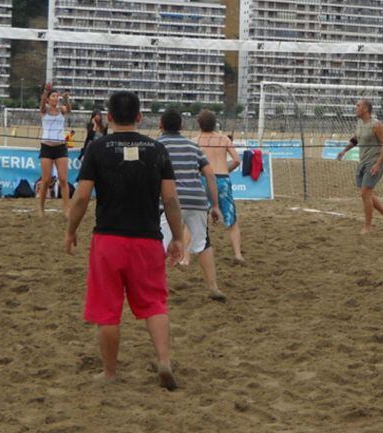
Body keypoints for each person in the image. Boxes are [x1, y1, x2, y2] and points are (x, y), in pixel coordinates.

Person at [64, 91, 185, 388]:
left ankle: (109, 373)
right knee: (155, 304)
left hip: (109, 239)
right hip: (147, 239)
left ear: (108, 117)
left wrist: (70, 230)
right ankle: (164, 360)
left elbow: (81, 197)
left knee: (107, 309)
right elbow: (170, 199)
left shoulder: (97, 148)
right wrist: (178, 237)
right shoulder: (157, 150)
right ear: (140, 117)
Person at [157, 109, 227, 301]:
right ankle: (213, 288)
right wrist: (214, 205)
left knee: (159, 246)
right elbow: (210, 175)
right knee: (204, 244)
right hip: (196, 199)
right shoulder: (193, 146)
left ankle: (156, 287)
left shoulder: (157, 146)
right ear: (181, 126)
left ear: (160, 125)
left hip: (169, 201)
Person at [336, 99, 383, 234]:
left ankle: (367, 227)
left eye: (358, 106)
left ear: (366, 109)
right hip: (362, 162)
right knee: (365, 193)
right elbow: (355, 139)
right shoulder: (359, 124)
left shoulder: (376, 125)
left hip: (373, 162)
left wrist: (378, 164)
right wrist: (344, 150)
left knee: (365, 193)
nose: (355, 107)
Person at [196, 110, 246, 263]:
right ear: (215, 123)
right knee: (231, 220)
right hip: (222, 180)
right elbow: (237, 160)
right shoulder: (224, 139)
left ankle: (185, 257)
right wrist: (225, 169)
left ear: (199, 124)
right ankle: (237, 254)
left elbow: (193, 164)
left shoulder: (195, 140)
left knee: (196, 218)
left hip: (204, 180)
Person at [39, 84, 72, 217]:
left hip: (60, 146)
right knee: (46, 180)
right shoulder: (44, 110)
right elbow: (41, 104)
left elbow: (69, 109)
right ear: (48, 99)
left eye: (57, 96)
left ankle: (66, 208)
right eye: (53, 96)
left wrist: (66, 98)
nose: (56, 98)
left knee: (63, 179)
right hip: (47, 146)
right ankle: (41, 207)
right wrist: (45, 92)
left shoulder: (61, 110)